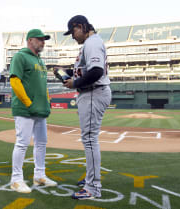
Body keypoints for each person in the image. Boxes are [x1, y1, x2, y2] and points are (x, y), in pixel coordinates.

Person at [59, 15, 111, 200]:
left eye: (73, 31)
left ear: (81, 26)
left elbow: (96, 71)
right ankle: (91, 179)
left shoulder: (92, 43)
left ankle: (93, 187)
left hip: (93, 92)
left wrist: (75, 84)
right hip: (90, 92)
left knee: (89, 139)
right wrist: (66, 74)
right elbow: (86, 70)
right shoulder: (89, 44)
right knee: (89, 138)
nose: (72, 36)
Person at [9, 29, 57, 193]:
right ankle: (16, 180)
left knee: (41, 143)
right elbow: (15, 81)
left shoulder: (40, 61)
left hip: (40, 109)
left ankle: (39, 176)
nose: (43, 42)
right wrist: (28, 103)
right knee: (22, 144)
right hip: (25, 109)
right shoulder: (20, 56)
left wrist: (47, 101)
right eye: (40, 39)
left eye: (44, 40)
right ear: (30, 40)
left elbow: (43, 85)